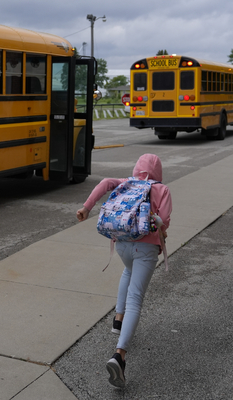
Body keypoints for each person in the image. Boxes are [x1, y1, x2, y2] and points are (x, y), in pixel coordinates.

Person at [76, 153, 172, 388]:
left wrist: (87, 207)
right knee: (136, 299)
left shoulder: (126, 183)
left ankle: (118, 320)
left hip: (122, 245)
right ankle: (119, 355)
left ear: (137, 168)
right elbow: (164, 221)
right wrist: (160, 227)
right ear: (157, 172)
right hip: (146, 249)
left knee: (127, 272)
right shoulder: (162, 189)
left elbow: (105, 183)